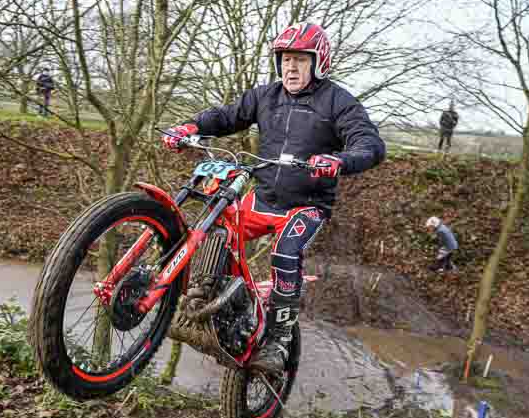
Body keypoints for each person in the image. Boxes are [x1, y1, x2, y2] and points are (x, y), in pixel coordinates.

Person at [161, 22, 386, 375]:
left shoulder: (339, 102)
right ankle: (213, 296)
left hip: (307, 205)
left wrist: (339, 160)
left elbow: (370, 144)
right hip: (263, 197)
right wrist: (191, 126)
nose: (290, 67)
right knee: (216, 226)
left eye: (299, 59)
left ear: (318, 62)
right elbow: (226, 116)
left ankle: (279, 338)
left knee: (285, 251)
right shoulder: (266, 95)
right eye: (284, 59)